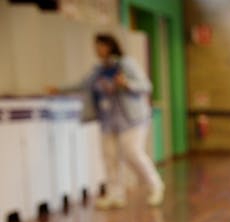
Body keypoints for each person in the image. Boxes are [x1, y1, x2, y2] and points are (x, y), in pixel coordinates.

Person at [50, 33, 164, 209]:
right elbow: (83, 85)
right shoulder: (98, 71)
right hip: (108, 119)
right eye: (96, 46)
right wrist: (59, 89)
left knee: (132, 152)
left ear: (110, 46)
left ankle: (155, 185)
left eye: (101, 45)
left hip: (131, 118)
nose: (98, 50)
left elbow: (146, 86)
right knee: (109, 157)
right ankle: (114, 194)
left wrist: (126, 83)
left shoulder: (126, 64)